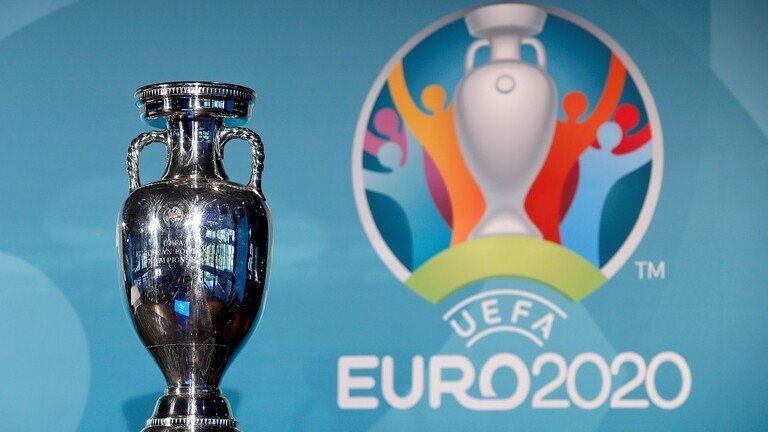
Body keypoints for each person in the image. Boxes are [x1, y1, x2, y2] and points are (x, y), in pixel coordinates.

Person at [526, 54, 627, 243]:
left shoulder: (546, 130)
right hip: (546, 213)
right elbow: (606, 106)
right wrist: (618, 69)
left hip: (539, 208)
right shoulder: (577, 134)